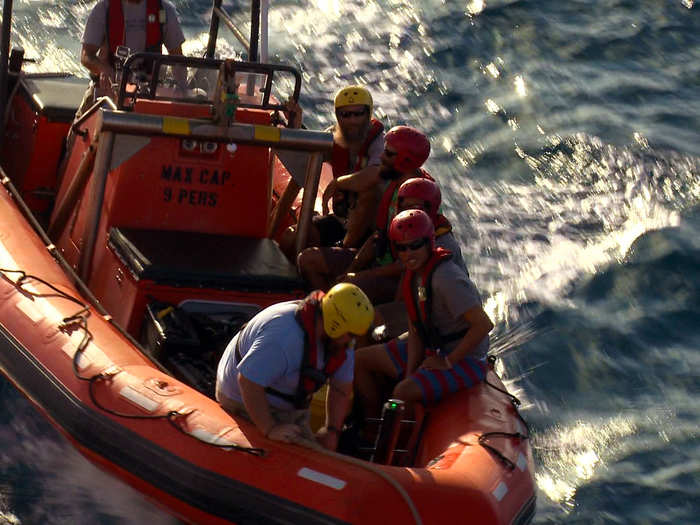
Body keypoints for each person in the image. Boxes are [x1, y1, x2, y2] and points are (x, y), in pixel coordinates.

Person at [353, 210, 493, 427]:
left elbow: (483, 325)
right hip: (433, 345)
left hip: (466, 359)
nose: (408, 253)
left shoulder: (446, 278)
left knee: (402, 392)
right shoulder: (414, 273)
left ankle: (390, 451)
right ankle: (370, 427)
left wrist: (447, 362)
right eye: (401, 247)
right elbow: (416, 327)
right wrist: (410, 372)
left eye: (415, 245)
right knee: (359, 360)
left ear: (429, 242)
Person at [215, 283, 374, 451]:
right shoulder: (285, 336)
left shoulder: (342, 344)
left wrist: (331, 430)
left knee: (317, 457)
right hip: (241, 399)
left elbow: (341, 389)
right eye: (352, 335)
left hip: (289, 407)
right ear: (336, 325)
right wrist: (270, 428)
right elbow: (248, 382)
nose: (353, 341)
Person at [296, 126, 433, 304]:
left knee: (347, 287)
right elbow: (378, 237)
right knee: (307, 260)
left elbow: (406, 264)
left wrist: (359, 275)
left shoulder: (418, 202)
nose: (382, 157)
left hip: (398, 278)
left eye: (389, 154)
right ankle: (326, 310)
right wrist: (352, 269)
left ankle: (334, 314)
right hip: (378, 262)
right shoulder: (392, 183)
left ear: (405, 161)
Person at [273, 85, 385, 256]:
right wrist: (295, 130)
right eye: (346, 115)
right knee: (290, 237)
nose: (353, 120)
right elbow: (303, 168)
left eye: (358, 113)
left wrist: (337, 183)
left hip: (371, 228)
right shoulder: (332, 138)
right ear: (338, 116)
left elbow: (374, 176)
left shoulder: (379, 142)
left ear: (368, 113)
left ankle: (344, 252)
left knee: (371, 191)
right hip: (341, 220)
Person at [78, 0, 186, 115]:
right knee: (80, 124)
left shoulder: (164, 10)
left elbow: (177, 59)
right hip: (109, 89)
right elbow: (86, 56)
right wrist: (103, 69)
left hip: (149, 92)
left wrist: (183, 89)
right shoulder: (103, 8)